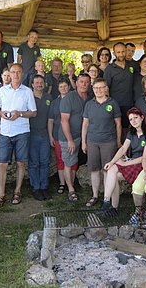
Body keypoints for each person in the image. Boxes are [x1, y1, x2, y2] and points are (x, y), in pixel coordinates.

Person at [0, 63, 37, 206]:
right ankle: (1, 194)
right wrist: (2, 114)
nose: (16, 75)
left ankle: (17, 191)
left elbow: (34, 112)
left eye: (18, 72)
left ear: (22, 74)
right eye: (13, 72)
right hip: (5, 131)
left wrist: (20, 114)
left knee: (21, 163)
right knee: (2, 164)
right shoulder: (3, 90)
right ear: (9, 74)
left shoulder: (27, 91)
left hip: (22, 131)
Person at [82, 78, 122, 207]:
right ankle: (95, 195)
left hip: (108, 141)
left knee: (107, 170)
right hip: (92, 141)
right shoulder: (89, 104)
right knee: (94, 170)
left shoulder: (113, 103)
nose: (98, 90)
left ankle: (107, 197)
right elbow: (85, 124)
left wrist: (118, 141)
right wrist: (84, 142)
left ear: (106, 88)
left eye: (101, 88)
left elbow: (118, 123)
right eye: (96, 88)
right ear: (92, 90)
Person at [101, 107, 146, 210]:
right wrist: (112, 162)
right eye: (131, 119)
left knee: (112, 175)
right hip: (132, 162)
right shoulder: (131, 132)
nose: (133, 121)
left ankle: (112, 207)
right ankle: (107, 202)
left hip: (143, 164)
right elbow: (123, 148)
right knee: (111, 170)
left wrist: (125, 163)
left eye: (136, 118)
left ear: (142, 117)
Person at [59, 73, 93, 202]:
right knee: (69, 163)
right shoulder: (69, 98)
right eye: (81, 82)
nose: (84, 84)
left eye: (86, 82)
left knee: (76, 162)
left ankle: (78, 185)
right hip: (69, 136)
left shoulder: (90, 97)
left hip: (83, 136)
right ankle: (71, 190)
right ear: (76, 83)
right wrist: (70, 140)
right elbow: (64, 121)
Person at [48, 79, 78, 195]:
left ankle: (71, 183)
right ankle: (62, 183)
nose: (63, 88)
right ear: (58, 88)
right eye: (61, 87)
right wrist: (50, 136)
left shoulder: (74, 100)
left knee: (73, 160)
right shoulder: (55, 103)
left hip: (73, 134)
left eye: (65, 86)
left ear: (69, 87)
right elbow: (50, 120)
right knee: (61, 159)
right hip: (57, 135)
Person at [29, 75, 53, 201]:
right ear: (32, 85)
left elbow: (51, 118)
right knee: (34, 162)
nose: (39, 84)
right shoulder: (28, 97)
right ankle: (35, 187)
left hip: (44, 133)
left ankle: (44, 187)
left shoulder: (49, 98)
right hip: (31, 133)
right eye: (36, 82)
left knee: (45, 161)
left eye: (41, 82)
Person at [104, 42, 137, 129]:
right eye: (118, 52)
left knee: (129, 129)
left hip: (131, 104)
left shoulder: (133, 65)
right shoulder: (109, 69)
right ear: (114, 53)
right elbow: (105, 88)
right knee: (116, 128)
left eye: (123, 51)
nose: (121, 54)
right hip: (115, 105)